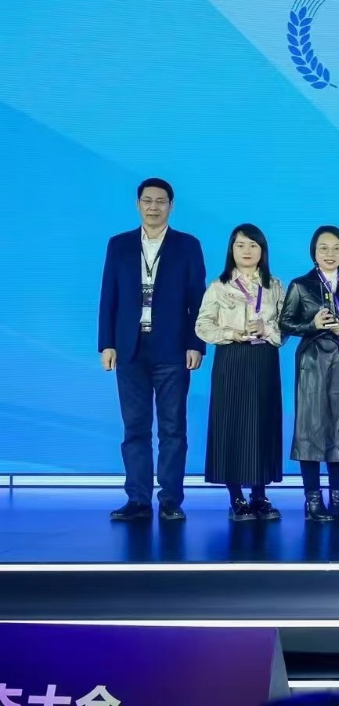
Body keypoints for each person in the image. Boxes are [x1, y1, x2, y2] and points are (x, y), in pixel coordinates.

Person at [98, 178, 207, 522]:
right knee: (135, 428)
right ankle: (138, 500)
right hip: (129, 349)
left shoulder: (188, 245)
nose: (153, 207)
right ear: (138, 204)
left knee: (173, 429)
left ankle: (171, 500)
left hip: (173, 349)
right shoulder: (119, 245)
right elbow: (108, 296)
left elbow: (197, 298)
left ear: (171, 206)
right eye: (147, 200)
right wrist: (106, 343)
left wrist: (196, 344)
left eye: (161, 201)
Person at [280, 226, 339, 523]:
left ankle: (337, 499)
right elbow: (285, 323)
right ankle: (312, 500)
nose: (330, 254)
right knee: (310, 430)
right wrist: (313, 325)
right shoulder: (300, 285)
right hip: (312, 362)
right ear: (314, 252)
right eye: (323, 248)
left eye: (336, 248)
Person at [195, 224, 287, 521]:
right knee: (231, 425)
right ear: (231, 250)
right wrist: (231, 333)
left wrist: (267, 328)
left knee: (262, 424)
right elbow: (202, 325)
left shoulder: (275, 285)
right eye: (240, 245)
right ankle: (236, 497)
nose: (247, 251)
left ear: (262, 250)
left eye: (253, 245)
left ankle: (260, 495)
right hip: (231, 359)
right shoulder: (219, 286)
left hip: (264, 359)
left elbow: (287, 325)